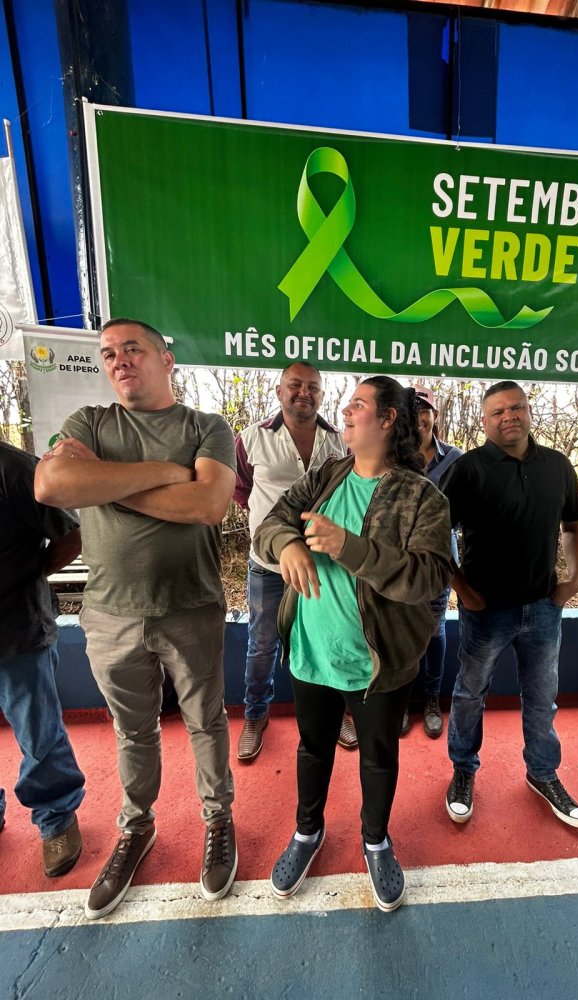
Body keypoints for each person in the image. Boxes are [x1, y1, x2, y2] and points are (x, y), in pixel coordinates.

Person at [35, 317, 237, 919]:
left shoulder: (207, 427)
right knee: (133, 729)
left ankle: (218, 819)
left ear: (166, 359)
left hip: (192, 607)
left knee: (206, 721)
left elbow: (206, 502)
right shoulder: (89, 424)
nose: (119, 360)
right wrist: (163, 472)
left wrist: (98, 481)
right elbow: (51, 484)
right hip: (110, 614)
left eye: (132, 349)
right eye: (107, 354)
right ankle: (137, 826)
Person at [254, 376, 452, 912]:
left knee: (378, 757)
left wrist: (351, 548)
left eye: (358, 405)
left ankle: (375, 840)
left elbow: (431, 576)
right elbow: (271, 521)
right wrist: (287, 544)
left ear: (387, 420)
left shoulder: (421, 496)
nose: (344, 411)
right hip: (310, 650)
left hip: (377, 661)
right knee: (312, 747)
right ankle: (307, 832)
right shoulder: (327, 474)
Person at [440, 380, 578, 828]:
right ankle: (463, 771)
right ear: (484, 422)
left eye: (517, 408)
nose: (510, 417)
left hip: (543, 607)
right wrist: (461, 588)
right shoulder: (469, 469)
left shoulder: (557, 466)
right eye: (498, 412)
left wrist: (575, 578)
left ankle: (543, 774)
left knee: (542, 697)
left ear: (529, 412)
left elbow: (574, 524)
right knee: (471, 692)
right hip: (486, 611)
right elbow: (432, 533)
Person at [233, 363, 348, 762]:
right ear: (280, 391)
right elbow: (241, 488)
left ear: (322, 394)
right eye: (295, 385)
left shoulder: (339, 442)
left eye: (313, 387)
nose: (304, 393)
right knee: (262, 644)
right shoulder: (252, 439)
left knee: (329, 638)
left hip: (323, 565)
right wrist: (270, 525)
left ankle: (339, 712)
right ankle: (255, 715)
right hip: (267, 564)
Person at [0, 441, 85, 876]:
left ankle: (56, 818)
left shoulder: (14, 468)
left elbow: (70, 534)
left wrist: (29, 577)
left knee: (39, 734)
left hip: (17, 630)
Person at [400, 385, 462, 739]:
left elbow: (469, 515)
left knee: (433, 632)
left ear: (434, 416)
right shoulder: (391, 457)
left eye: (424, 409)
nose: (418, 417)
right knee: (402, 633)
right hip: (399, 561)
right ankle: (404, 701)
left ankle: (431, 701)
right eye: (411, 410)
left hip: (439, 559)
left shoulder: (454, 459)